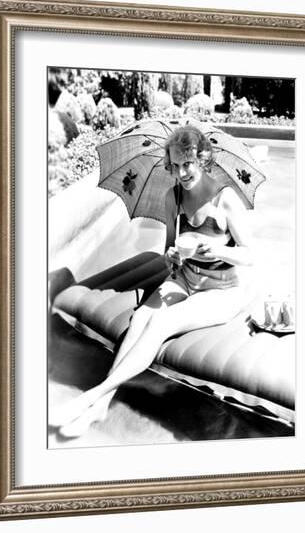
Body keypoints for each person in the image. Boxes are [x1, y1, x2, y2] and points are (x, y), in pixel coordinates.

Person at [53, 125, 255, 437]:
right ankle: (102, 405)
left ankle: (91, 397)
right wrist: (172, 257)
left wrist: (217, 249)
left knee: (160, 324)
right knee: (142, 318)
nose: (182, 172)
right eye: (175, 165)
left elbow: (251, 256)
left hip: (221, 290)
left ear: (202, 159)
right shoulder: (172, 198)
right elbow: (166, 254)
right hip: (185, 279)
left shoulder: (224, 200)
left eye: (187, 163)